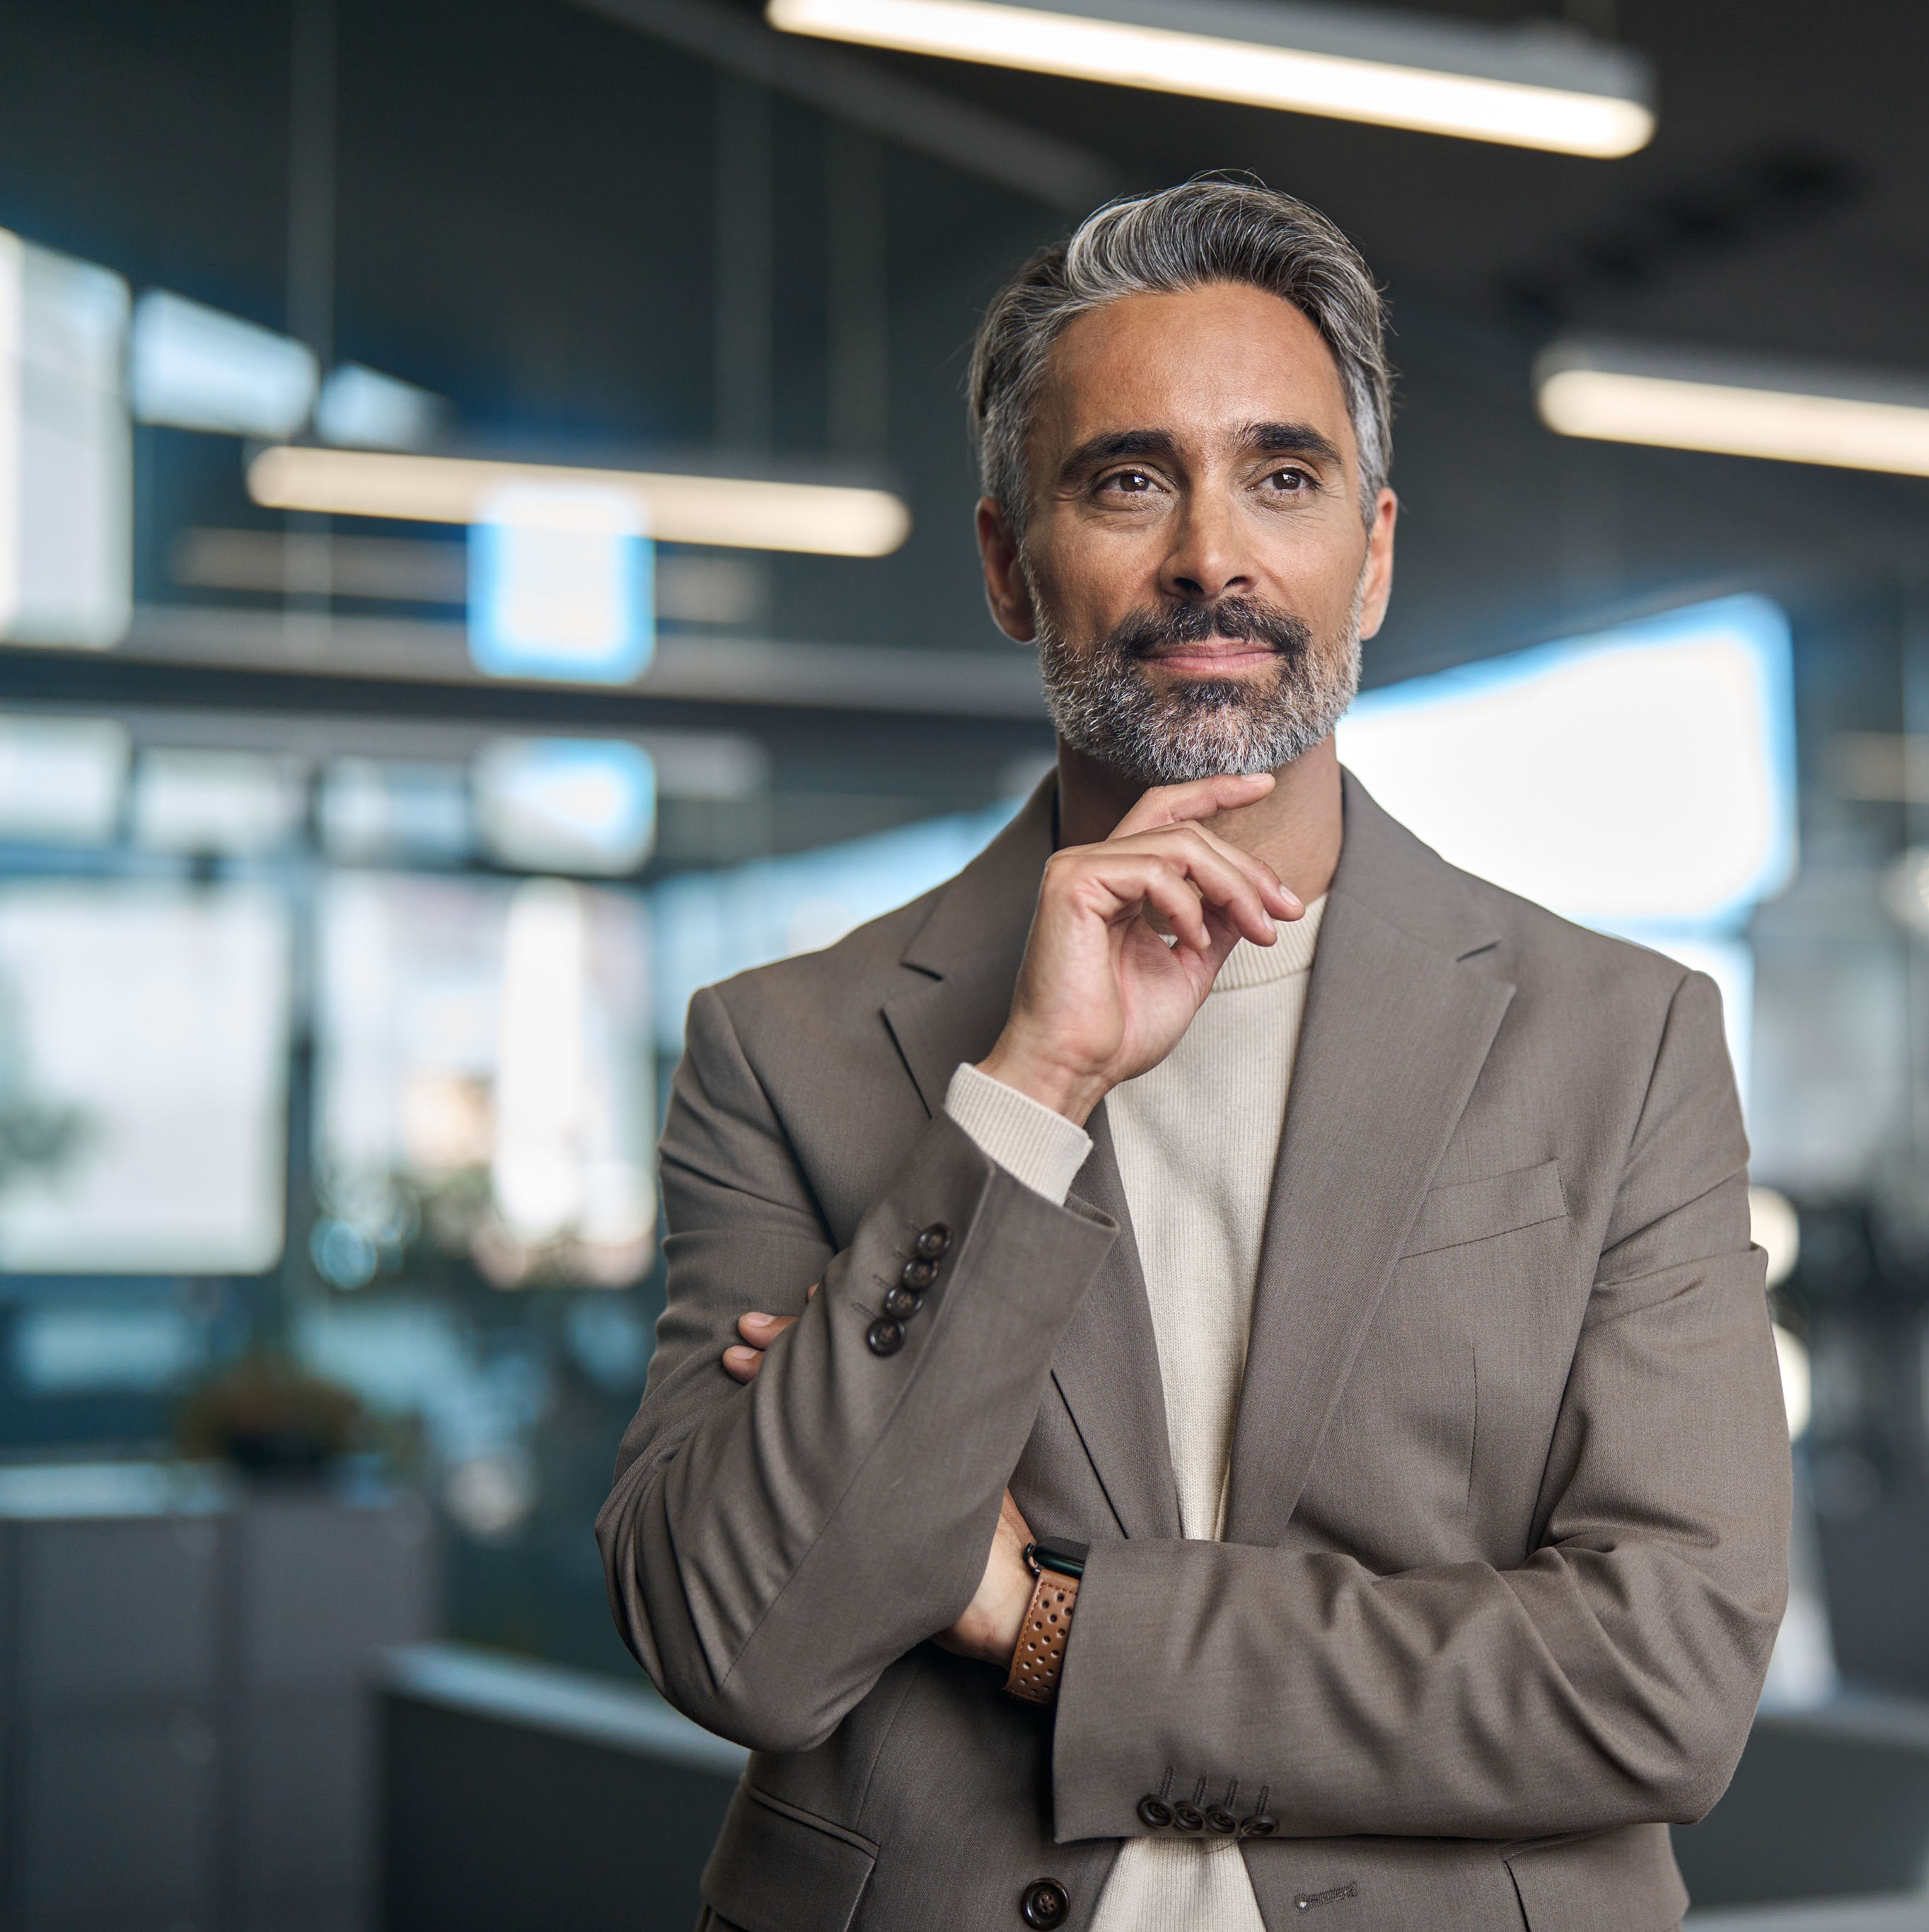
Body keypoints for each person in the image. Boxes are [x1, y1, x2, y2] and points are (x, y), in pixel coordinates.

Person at [598, 178, 1790, 1932]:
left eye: (1281, 478)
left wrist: (1041, 1619)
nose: (1210, 557)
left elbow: (1659, 1679)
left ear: (1369, 557)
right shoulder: (783, 1049)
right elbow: (745, 1642)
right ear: (1011, 564)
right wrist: (1026, 1088)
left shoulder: (1621, 1045)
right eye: (1127, 478)